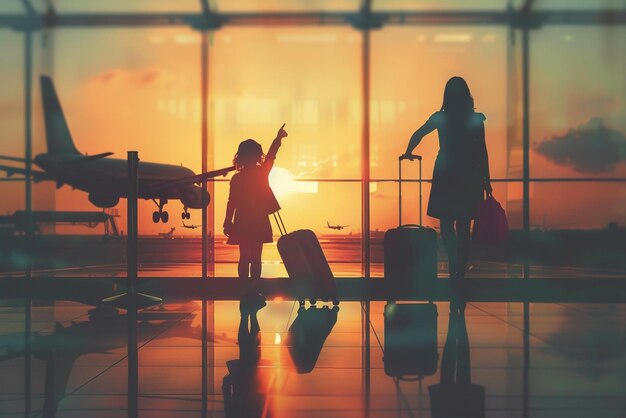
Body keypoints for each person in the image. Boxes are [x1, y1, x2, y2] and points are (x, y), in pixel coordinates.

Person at [402, 77, 491, 283]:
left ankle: (453, 265)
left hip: (446, 172)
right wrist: (487, 179)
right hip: (469, 173)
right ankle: (460, 269)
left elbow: (419, 133)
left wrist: (408, 151)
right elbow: (482, 151)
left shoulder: (440, 118)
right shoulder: (475, 119)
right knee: (463, 225)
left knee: (446, 223)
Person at [224, 124, 288, 303]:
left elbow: (232, 202)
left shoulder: (237, 179)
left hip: (242, 221)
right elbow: (272, 156)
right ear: (257, 155)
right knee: (256, 258)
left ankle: (244, 290)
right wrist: (278, 139)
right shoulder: (261, 174)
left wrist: (227, 221)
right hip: (259, 221)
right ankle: (253, 290)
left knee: (244, 257)